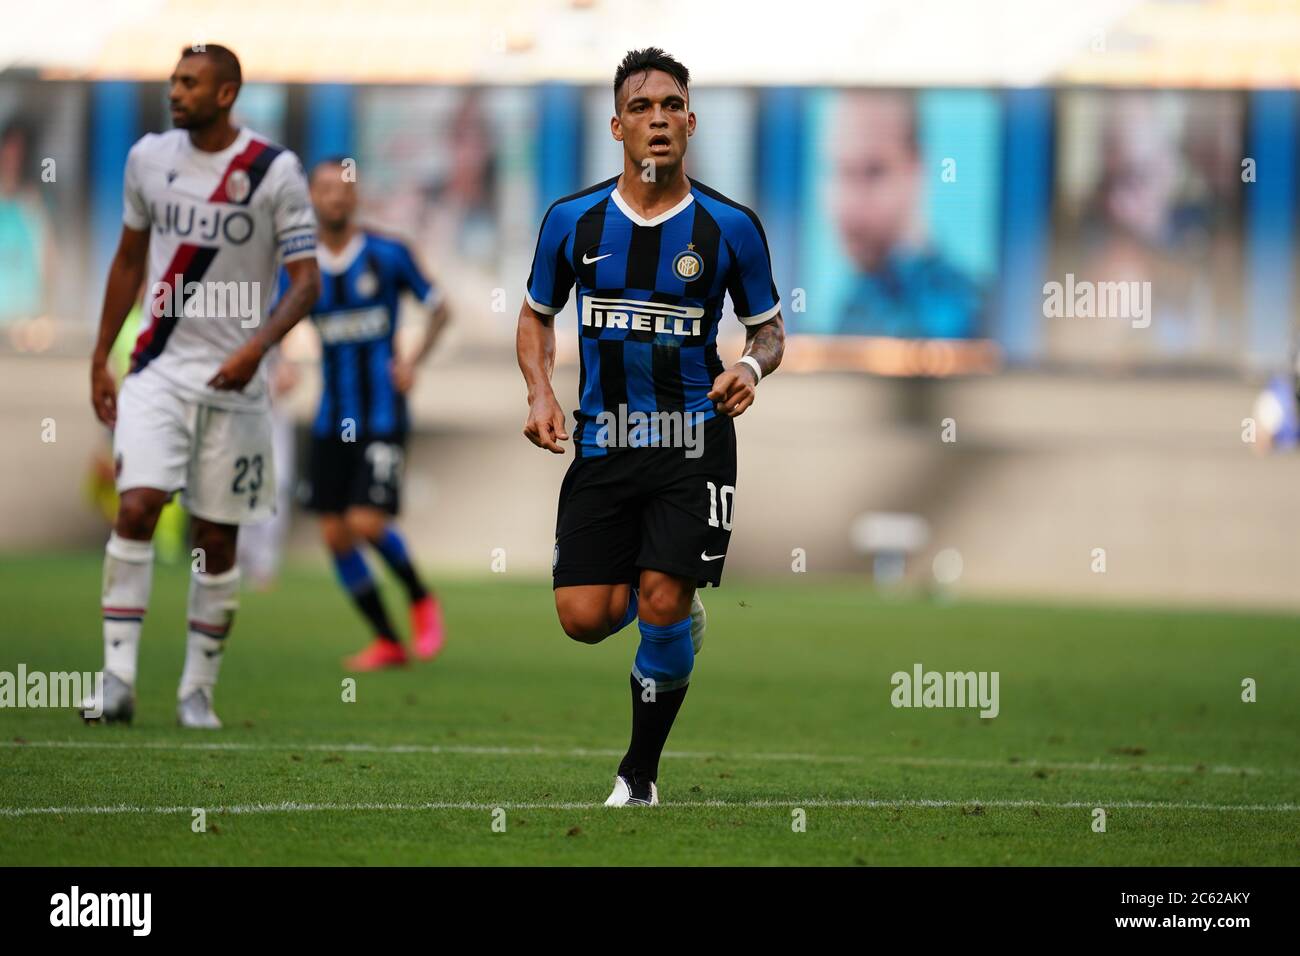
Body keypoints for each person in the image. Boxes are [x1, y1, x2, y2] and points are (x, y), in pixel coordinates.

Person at [515, 48, 785, 806]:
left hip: (693, 442)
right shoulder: (573, 219)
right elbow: (536, 316)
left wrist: (751, 369)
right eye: (641, 108)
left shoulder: (730, 226)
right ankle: (672, 601)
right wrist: (540, 393)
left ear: (692, 123)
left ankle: (639, 776)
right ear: (617, 125)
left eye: (671, 106)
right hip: (604, 441)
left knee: (660, 601)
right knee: (584, 618)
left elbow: (769, 331)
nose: (657, 119)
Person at [85, 44, 321, 727]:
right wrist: (101, 353)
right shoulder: (147, 159)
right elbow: (128, 259)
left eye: (190, 83)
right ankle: (118, 680)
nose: (175, 92)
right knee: (137, 507)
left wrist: (257, 349)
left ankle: (196, 691)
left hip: (237, 381)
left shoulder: (274, 172)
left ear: (227, 94)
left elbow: (307, 282)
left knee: (216, 539)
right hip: (158, 370)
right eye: (173, 81)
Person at [287, 158, 451, 670]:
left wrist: (413, 359)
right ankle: (387, 640)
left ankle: (421, 596)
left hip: (382, 416)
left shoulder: (388, 253)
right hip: (330, 417)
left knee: (364, 521)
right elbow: (276, 320)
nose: (335, 196)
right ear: (310, 197)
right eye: (325, 188)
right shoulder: (300, 265)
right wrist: (278, 365)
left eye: (345, 187)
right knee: (334, 533)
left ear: (357, 196)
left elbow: (440, 307)